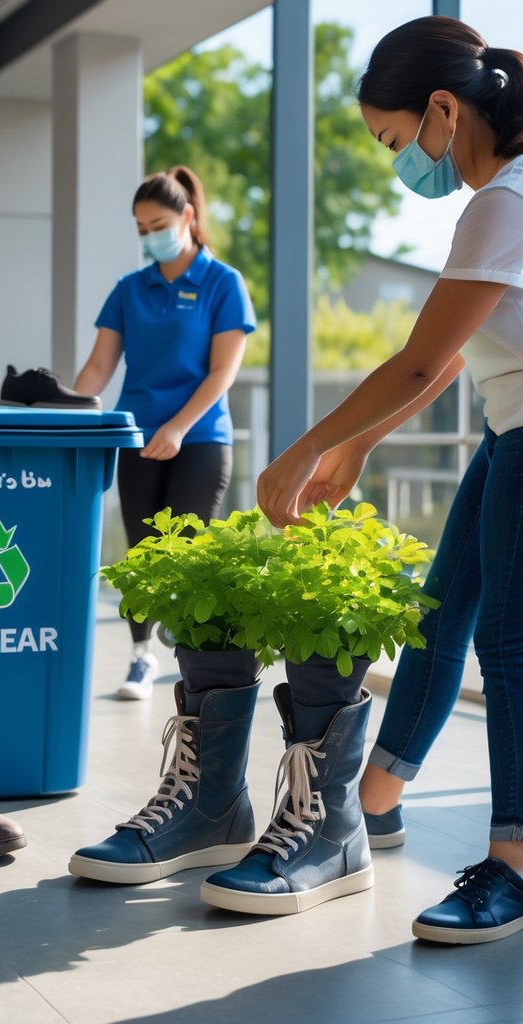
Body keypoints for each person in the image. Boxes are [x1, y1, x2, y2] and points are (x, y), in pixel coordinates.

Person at [256, 15, 523, 944]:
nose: (398, 162)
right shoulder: (498, 203)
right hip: (506, 425)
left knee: (506, 642)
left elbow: (414, 360)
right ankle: (367, 805)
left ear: (444, 109)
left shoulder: (504, 201)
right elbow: (447, 359)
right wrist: (362, 444)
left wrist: (302, 452)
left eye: (393, 139)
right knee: (437, 616)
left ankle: (514, 864)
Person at [73, 166, 256, 700]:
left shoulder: (223, 283)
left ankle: (192, 655)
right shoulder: (129, 290)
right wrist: (64, 418)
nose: (151, 236)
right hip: (138, 436)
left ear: (187, 217)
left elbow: (222, 372)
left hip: (200, 437)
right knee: (143, 554)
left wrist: (178, 426)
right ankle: (140, 658)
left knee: (184, 553)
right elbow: (98, 369)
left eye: (158, 225)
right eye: (141, 228)